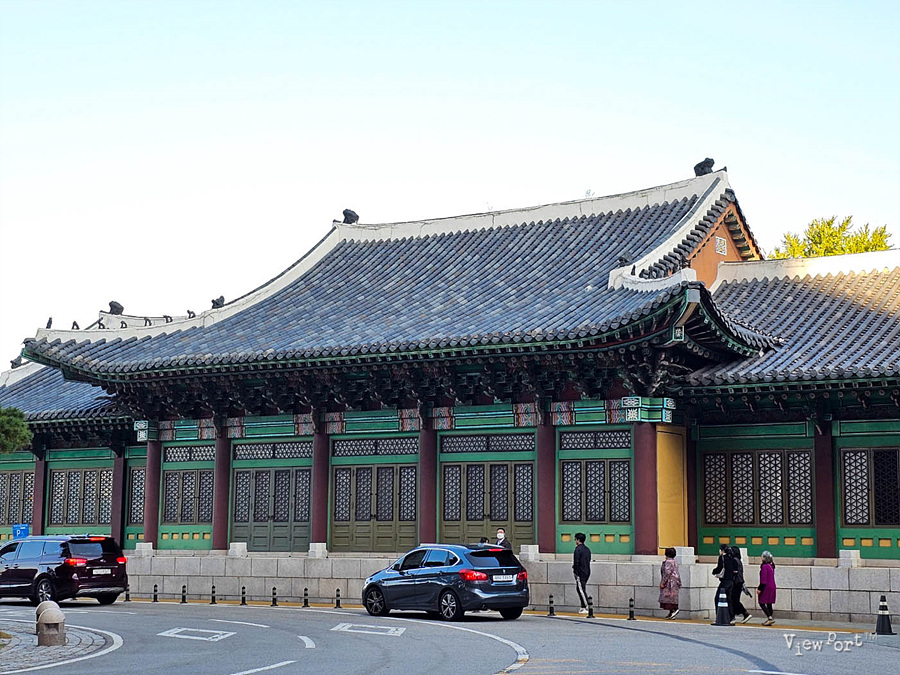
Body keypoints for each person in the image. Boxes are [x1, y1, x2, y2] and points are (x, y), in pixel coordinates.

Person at [711, 543, 736, 623]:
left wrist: (714, 571)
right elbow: (735, 569)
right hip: (731, 581)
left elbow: (719, 568)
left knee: (718, 598)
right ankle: (731, 617)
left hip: (724, 581)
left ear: (722, 550)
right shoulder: (731, 557)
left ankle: (719, 617)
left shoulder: (722, 558)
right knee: (728, 599)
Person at [729, 546, 752, 623]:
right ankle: (733, 616)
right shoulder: (738, 560)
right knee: (735, 600)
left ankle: (744, 613)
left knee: (733, 600)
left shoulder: (734, 560)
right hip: (739, 583)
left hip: (736, 583)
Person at [658, 547, 682, 619]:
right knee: (672, 597)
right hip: (674, 582)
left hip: (669, 582)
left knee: (668, 596)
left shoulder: (668, 562)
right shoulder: (674, 562)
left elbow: (667, 573)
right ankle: (671, 612)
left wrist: (663, 582)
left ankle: (674, 610)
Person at [572, 532, 591, 614]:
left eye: (575, 539)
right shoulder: (587, 549)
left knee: (581, 589)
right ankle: (583, 606)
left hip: (580, 572)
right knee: (581, 588)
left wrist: (575, 571)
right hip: (587, 571)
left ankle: (586, 606)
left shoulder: (577, 549)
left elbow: (576, 562)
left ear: (578, 540)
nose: (575, 541)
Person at [757, 551, 777, 625]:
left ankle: (769, 617)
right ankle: (770, 618)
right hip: (772, 586)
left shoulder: (764, 566)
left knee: (761, 602)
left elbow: (763, 579)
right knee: (769, 603)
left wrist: (760, 588)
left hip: (766, 587)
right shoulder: (771, 566)